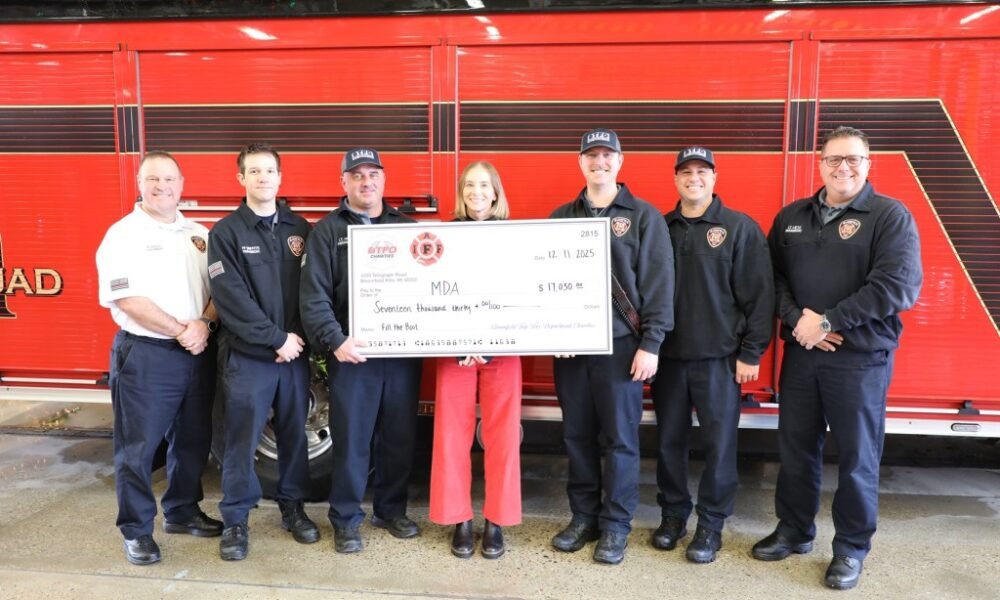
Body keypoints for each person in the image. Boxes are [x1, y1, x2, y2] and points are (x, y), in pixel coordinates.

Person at [754, 126, 922, 590]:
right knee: (795, 449)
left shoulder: (889, 216)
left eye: (853, 159)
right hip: (803, 353)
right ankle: (794, 530)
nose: (843, 167)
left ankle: (850, 547)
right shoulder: (792, 217)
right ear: (820, 162)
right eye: (834, 159)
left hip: (860, 359)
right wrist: (799, 322)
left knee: (857, 458)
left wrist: (827, 322)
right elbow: (771, 279)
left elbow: (897, 286)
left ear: (868, 164)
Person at [549, 129, 674, 565]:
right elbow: (545, 285)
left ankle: (616, 525)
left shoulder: (644, 216)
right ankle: (583, 518)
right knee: (577, 435)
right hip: (572, 351)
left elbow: (660, 285)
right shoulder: (560, 217)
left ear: (620, 161)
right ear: (580, 162)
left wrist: (651, 343)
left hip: (622, 348)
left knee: (620, 440)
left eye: (607, 155)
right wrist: (554, 331)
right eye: (591, 155)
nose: (598, 162)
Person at [96, 151, 222, 565]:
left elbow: (219, 291)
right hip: (147, 354)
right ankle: (136, 531)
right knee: (138, 448)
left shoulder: (198, 234)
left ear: (182, 184)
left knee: (192, 440)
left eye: (169, 179)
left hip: (197, 351)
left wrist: (203, 323)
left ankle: (182, 511)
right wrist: (182, 330)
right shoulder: (122, 234)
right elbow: (128, 299)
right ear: (140, 184)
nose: (162, 187)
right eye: (153, 179)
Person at [650, 146, 774, 564]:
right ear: (675, 179)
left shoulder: (738, 228)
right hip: (668, 359)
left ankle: (711, 524)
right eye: (686, 171)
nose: (694, 178)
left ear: (715, 177)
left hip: (720, 361)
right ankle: (673, 515)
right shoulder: (660, 227)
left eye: (702, 171)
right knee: (669, 443)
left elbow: (760, 296)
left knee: (720, 446)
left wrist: (751, 352)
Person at [300, 147, 423, 553]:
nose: (366, 182)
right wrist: (336, 341)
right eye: (357, 175)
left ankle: (390, 511)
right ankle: (346, 518)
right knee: (352, 440)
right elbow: (314, 297)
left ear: (384, 179)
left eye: (373, 174)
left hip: (401, 355)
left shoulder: (407, 229)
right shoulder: (326, 232)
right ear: (344, 183)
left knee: (398, 437)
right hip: (353, 355)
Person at [207, 143, 318, 561]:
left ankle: (293, 507)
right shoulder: (226, 233)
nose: (262, 177)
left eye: (269, 170)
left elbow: (312, 291)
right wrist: (276, 339)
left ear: (280, 177)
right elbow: (231, 299)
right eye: (253, 171)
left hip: (294, 356)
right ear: (241, 179)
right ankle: (236, 520)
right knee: (242, 441)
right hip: (250, 359)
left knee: (293, 436)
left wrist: (297, 339)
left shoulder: (300, 229)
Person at [429, 161, 523, 560]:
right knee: (451, 435)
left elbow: (525, 293)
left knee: (503, 437)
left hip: (503, 350)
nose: (476, 192)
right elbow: (431, 293)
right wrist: (459, 341)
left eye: (484, 185)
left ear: (496, 192)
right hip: (456, 353)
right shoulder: (442, 237)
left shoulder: (518, 239)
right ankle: (460, 520)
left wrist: (492, 340)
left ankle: (496, 521)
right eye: (469, 184)